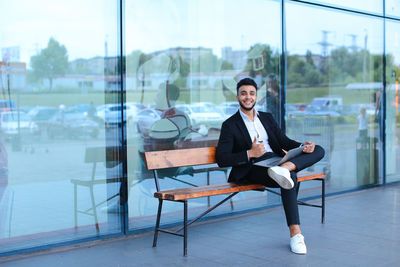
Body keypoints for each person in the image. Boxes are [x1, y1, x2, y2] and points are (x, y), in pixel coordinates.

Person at [216, 78, 324, 254]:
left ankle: (287, 167)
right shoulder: (230, 124)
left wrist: (303, 146)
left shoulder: (266, 117)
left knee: (318, 149)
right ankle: (295, 233)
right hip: (252, 167)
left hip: (276, 161)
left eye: (251, 93)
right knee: (290, 178)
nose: (248, 97)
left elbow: (283, 141)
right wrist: (250, 153)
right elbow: (222, 158)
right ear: (237, 97)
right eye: (243, 93)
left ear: (256, 96)